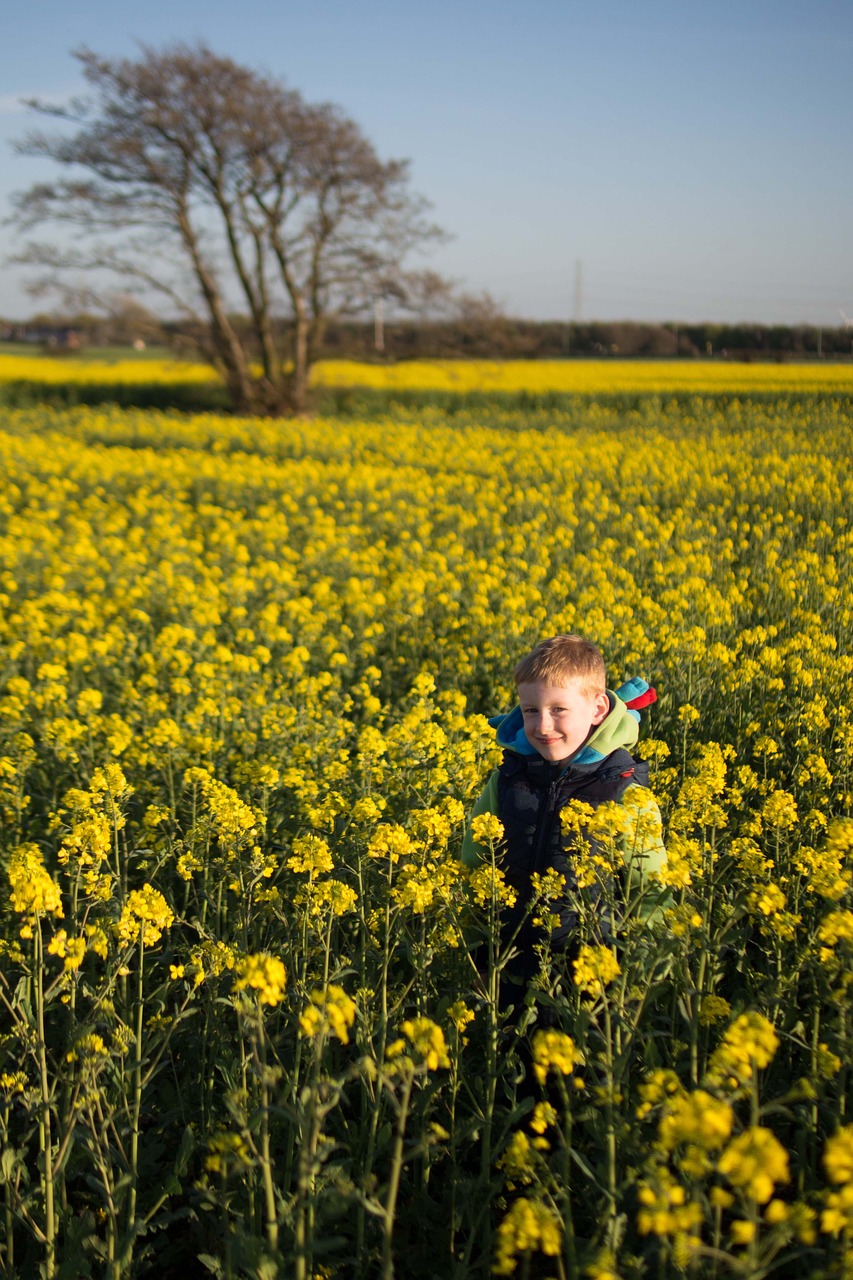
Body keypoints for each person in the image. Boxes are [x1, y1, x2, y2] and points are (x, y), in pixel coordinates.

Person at [461, 633, 667, 1009]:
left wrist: (644, 966)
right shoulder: (507, 780)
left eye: (559, 709)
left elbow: (651, 888)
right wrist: (474, 947)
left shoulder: (623, 790)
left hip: (594, 974)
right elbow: (474, 865)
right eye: (530, 711)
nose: (542, 726)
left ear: (598, 709)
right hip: (508, 963)